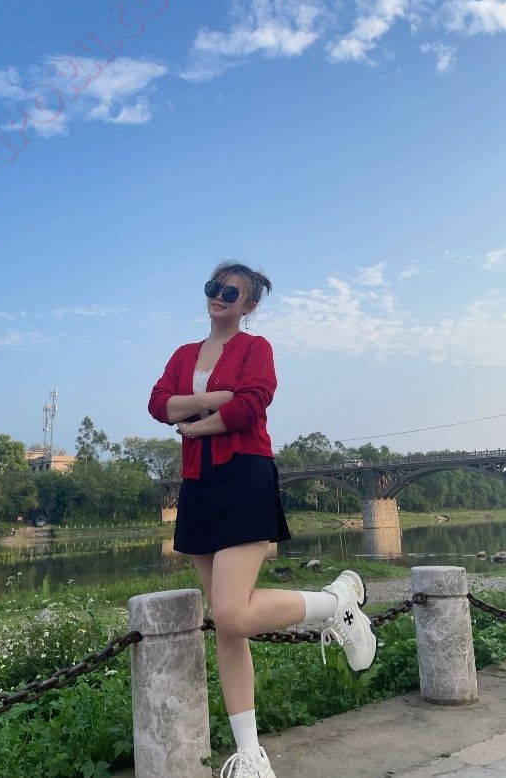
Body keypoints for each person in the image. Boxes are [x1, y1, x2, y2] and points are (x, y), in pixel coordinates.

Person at [148, 261, 377, 778]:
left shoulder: (257, 349)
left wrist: (193, 425)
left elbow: (250, 407)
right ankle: (250, 754)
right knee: (229, 629)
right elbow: (159, 404)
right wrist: (211, 399)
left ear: (249, 305)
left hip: (244, 476)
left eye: (231, 292)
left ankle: (334, 603)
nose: (219, 296)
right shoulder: (183, 355)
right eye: (214, 287)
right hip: (199, 486)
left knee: (231, 614)